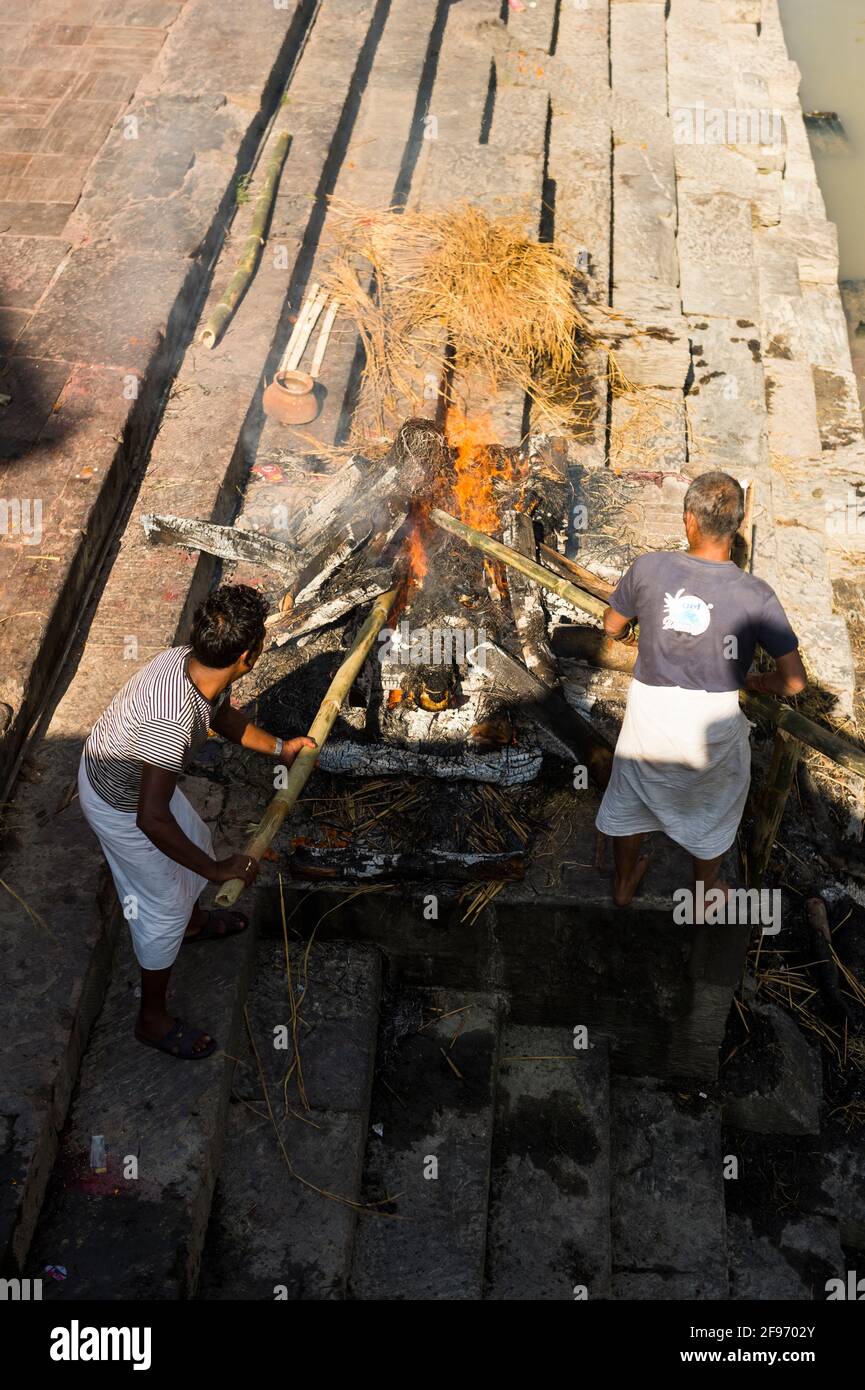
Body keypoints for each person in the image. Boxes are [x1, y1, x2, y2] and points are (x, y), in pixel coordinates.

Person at [78, 584, 314, 1059]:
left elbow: (223, 718)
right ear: (248, 655)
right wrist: (218, 870)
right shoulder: (172, 718)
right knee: (161, 907)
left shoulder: (192, 663)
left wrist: (279, 748)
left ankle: (194, 923)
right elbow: (151, 819)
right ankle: (151, 1019)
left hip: (126, 784)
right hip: (118, 805)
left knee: (199, 837)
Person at [595, 471, 807, 907]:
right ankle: (706, 889)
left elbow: (610, 626)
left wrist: (633, 629)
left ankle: (622, 884)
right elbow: (793, 681)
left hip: (649, 711)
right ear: (738, 526)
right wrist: (756, 682)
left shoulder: (649, 567)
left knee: (632, 792)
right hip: (713, 720)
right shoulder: (756, 594)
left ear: (688, 519)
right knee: (717, 802)